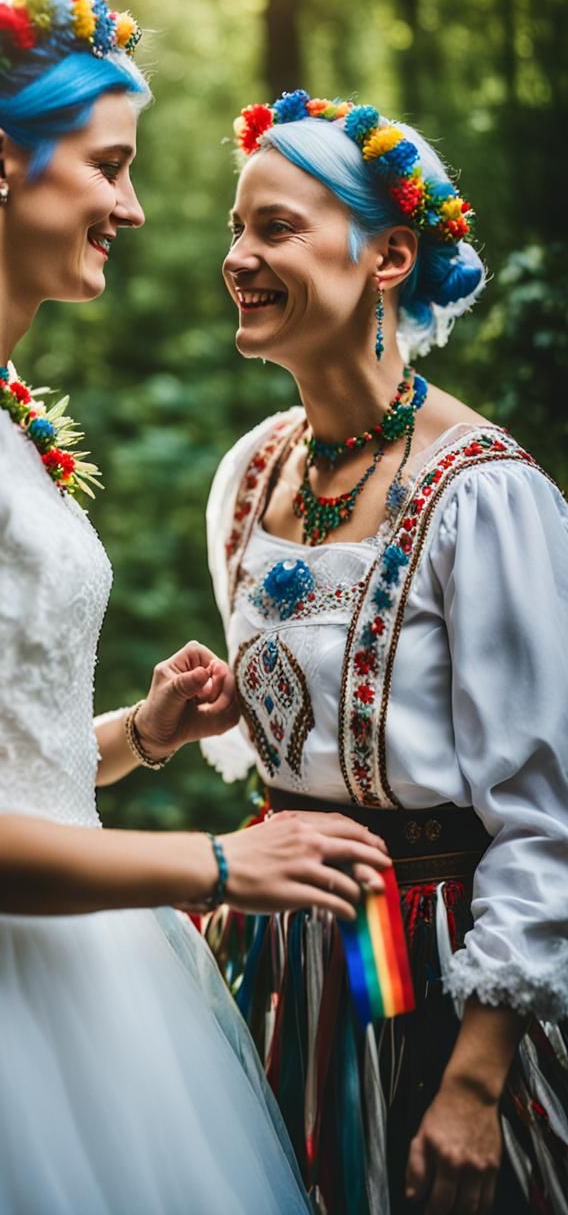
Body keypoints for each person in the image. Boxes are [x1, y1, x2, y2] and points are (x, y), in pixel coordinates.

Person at [0, 0, 393, 1214]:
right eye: (110, 168)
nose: (130, 206)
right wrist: (223, 862)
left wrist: (135, 736)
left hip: (71, 951)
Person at [201, 91, 568, 1214]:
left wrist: (473, 1078)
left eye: (277, 229)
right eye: (236, 227)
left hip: (434, 971)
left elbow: (549, 815)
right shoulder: (252, 472)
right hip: (272, 953)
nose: (239, 257)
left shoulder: (487, 497)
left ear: (390, 254)